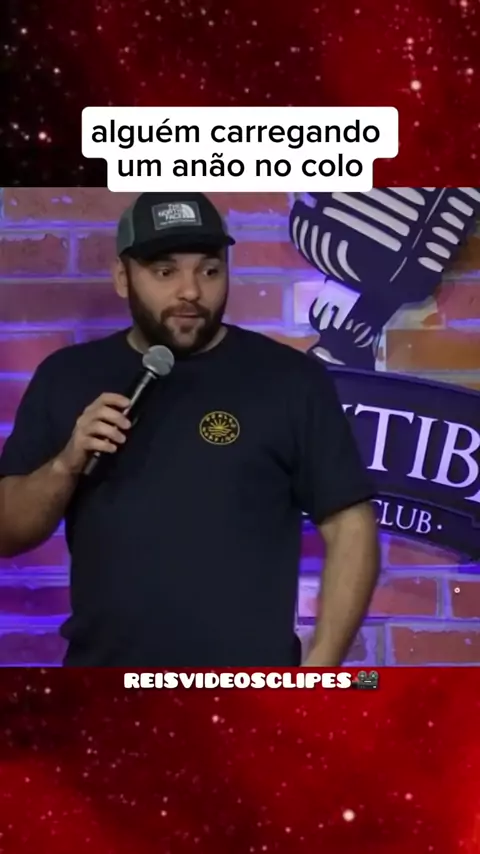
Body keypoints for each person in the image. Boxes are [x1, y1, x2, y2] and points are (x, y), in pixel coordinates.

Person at [0, 191, 379, 667]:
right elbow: (8, 532)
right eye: (165, 272)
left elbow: (350, 526)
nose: (191, 291)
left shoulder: (289, 380)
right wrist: (66, 463)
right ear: (122, 277)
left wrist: (319, 668)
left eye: (209, 270)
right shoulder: (68, 377)